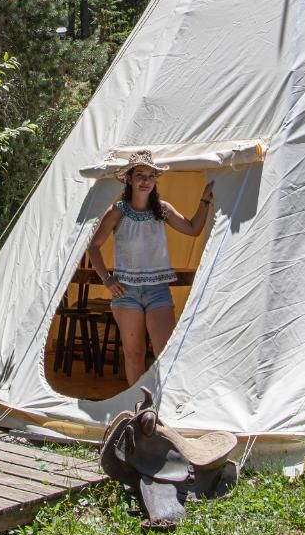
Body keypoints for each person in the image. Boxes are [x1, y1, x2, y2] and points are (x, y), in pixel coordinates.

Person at [84, 150, 213, 381]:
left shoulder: (162, 209)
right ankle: (138, 409)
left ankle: (159, 410)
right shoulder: (118, 211)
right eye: (140, 175)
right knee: (135, 354)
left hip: (157, 290)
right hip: (126, 292)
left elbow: (193, 229)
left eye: (151, 176)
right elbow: (93, 247)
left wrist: (204, 200)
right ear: (129, 179)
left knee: (164, 353)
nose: (146, 181)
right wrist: (107, 278)